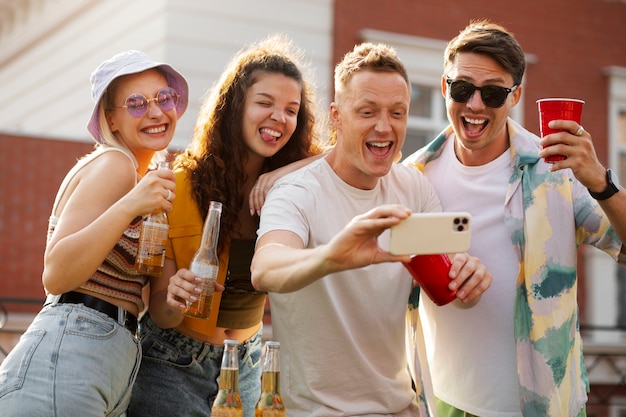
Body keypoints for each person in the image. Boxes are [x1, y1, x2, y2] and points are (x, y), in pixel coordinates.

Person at [250, 42, 492, 417]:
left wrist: (468, 282)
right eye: (367, 111)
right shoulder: (297, 191)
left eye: (398, 112)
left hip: (401, 409)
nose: (385, 126)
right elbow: (265, 269)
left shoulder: (413, 188)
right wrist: (332, 256)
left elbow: (451, 288)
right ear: (337, 116)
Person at [402, 19, 626, 417]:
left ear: (515, 96)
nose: (474, 105)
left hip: (547, 406)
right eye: (462, 89)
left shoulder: (555, 170)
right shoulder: (415, 177)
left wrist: (601, 183)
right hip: (446, 403)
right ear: (444, 88)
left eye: (492, 94)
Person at [127, 34, 324, 417]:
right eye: (264, 103)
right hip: (170, 362)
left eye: (291, 109)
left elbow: (351, 154)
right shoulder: (179, 184)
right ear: (235, 107)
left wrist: (284, 171)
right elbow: (163, 314)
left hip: (247, 365)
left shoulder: (294, 189)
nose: (279, 118)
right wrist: (174, 296)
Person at [0, 50, 188, 416]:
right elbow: (55, 274)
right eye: (136, 104)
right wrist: (131, 204)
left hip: (107, 360)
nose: (155, 112)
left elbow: (161, 312)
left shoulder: (147, 186)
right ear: (111, 120)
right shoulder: (115, 165)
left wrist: (179, 294)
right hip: (71, 352)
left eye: (164, 98)